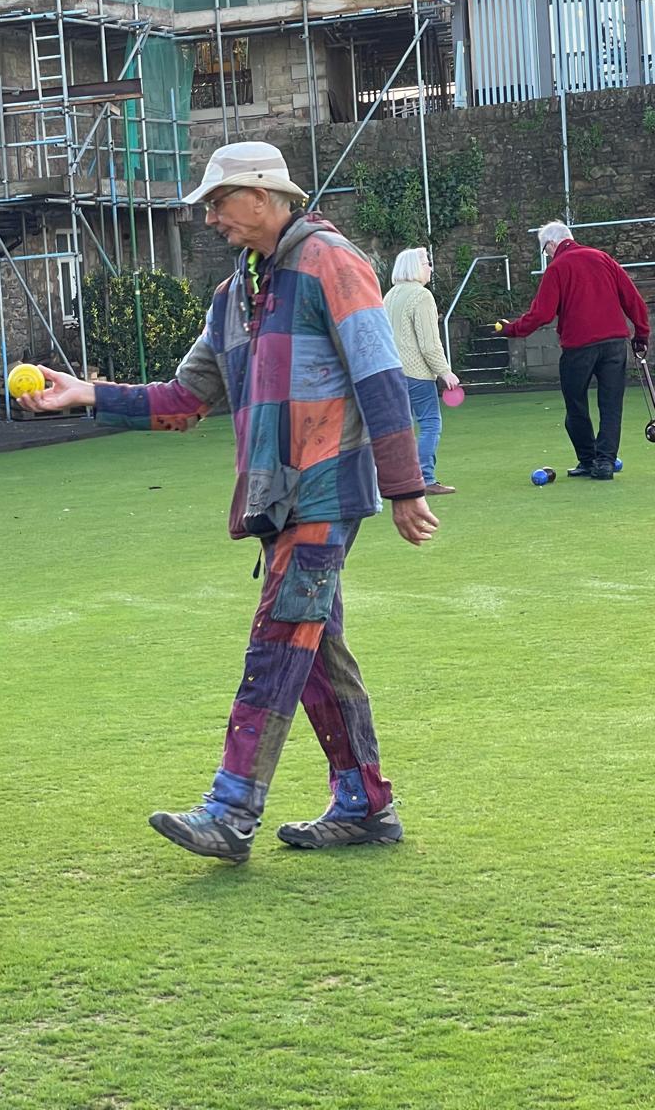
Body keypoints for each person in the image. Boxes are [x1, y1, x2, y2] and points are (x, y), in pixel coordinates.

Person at [21, 141, 438, 864]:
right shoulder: (234, 296)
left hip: (323, 492)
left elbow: (380, 376)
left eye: (220, 201)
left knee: (278, 641)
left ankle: (231, 809)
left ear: (268, 196)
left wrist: (404, 487)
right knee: (312, 652)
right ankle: (366, 804)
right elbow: (186, 398)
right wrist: (87, 393)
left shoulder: (332, 264)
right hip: (278, 501)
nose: (209, 217)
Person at [494, 221, 650, 480]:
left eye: (545, 251)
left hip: (578, 346)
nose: (546, 256)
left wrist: (511, 330)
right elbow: (633, 299)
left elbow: (541, 314)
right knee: (611, 406)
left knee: (575, 404)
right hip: (614, 344)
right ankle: (605, 463)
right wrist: (641, 335)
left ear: (553, 244)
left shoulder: (557, 268)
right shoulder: (603, 259)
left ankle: (588, 459)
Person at [384, 246, 459, 495]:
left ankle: (395, 480)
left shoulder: (390, 296)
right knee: (430, 424)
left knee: (399, 428)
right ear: (415, 268)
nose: (430, 267)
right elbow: (429, 344)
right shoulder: (422, 296)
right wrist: (445, 372)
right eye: (427, 263)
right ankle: (425, 478)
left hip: (392, 372)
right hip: (416, 373)